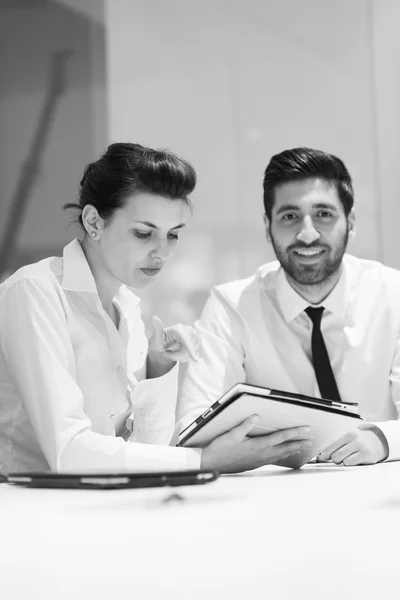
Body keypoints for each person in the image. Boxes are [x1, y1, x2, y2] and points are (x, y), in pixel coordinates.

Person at [0, 142, 311, 476]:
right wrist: (205, 461)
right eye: (143, 233)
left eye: (173, 235)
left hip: (100, 506)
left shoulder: (128, 311)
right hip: (24, 513)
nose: (162, 252)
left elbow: (145, 451)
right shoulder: (34, 292)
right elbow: (70, 452)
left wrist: (158, 369)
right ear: (94, 221)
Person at [177, 146, 400, 467]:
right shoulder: (231, 305)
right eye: (289, 216)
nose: (307, 234)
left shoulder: (393, 294)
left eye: (324, 214)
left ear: (350, 222)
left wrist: (383, 439)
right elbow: (193, 423)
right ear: (268, 226)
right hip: (269, 495)